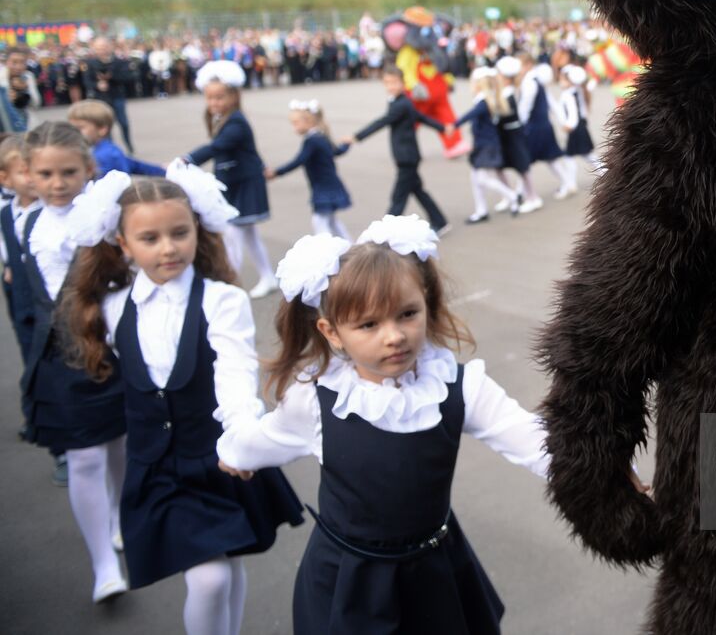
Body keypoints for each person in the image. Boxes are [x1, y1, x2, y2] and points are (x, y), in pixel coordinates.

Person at [215, 217, 550, 634]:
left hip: (435, 571)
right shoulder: (317, 401)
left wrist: (604, 471)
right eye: (369, 324)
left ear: (425, 303)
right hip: (349, 579)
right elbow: (261, 442)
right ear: (332, 333)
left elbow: (531, 438)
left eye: (407, 314)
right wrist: (232, 454)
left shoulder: (458, 386)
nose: (394, 336)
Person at [61, 168, 304, 635]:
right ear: (122, 243)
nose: (168, 247)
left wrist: (240, 436)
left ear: (197, 230)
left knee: (225, 568)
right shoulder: (112, 308)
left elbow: (235, 373)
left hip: (215, 458)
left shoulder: (222, 300)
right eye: (149, 237)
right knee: (210, 577)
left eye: (179, 232)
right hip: (157, 467)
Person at [20, 122, 129, 601]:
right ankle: (103, 562)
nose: (57, 182)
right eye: (45, 173)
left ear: (89, 169)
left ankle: (122, 514)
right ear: (26, 173)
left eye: (68, 172)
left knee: (119, 445)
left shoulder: (107, 221)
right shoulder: (19, 223)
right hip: (58, 357)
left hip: (108, 349)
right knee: (84, 456)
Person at [182, 62, 278, 299]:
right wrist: (262, 163)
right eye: (210, 98)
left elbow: (218, 147)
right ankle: (264, 276)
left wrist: (188, 159)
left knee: (234, 234)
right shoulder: (224, 119)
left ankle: (230, 282)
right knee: (244, 234)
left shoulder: (236, 121)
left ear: (234, 96)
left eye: (220, 97)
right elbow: (248, 150)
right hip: (237, 182)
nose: (214, 103)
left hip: (244, 183)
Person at [342, 66, 451, 235]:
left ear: (403, 83)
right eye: (387, 83)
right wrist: (442, 128)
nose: (391, 86)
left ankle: (385, 232)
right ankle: (440, 221)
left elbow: (382, 122)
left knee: (398, 197)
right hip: (406, 155)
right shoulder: (399, 101)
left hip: (407, 157)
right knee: (418, 191)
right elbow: (420, 117)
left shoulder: (402, 104)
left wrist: (356, 136)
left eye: (394, 83)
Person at [0, 135, 41, 432]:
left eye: (35, 170)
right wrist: (11, 264)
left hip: (51, 301)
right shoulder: (5, 213)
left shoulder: (51, 211)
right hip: (22, 297)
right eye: (22, 171)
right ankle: (37, 419)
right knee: (31, 356)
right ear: (5, 178)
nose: (31, 179)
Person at [266, 100, 352, 239]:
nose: (294, 127)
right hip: (329, 184)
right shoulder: (320, 136)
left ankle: (325, 251)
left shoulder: (312, 140)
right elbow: (336, 151)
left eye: (296, 123)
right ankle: (350, 247)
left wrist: (276, 172)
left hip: (324, 186)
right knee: (331, 221)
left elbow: (298, 160)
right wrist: (346, 145)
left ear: (309, 121)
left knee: (319, 221)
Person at [454, 68, 522, 224]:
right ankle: (481, 210)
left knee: (483, 179)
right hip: (482, 145)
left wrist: (453, 125)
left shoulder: (484, 101)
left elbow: (469, 115)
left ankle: (511, 196)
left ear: (478, 84)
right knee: (475, 178)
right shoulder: (486, 99)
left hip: (487, 146)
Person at [519, 59, 578, 199]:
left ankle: (520, 194)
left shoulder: (530, 83)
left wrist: (520, 126)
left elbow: (524, 108)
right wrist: (563, 120)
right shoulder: (539, 83)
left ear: (527, 65)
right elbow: (553, 104)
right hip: (545, 126)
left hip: (534, 128)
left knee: (524, 161)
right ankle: (568, 183)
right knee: (550, 159)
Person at [492, 58, 542, 214]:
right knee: (500, 166)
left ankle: (532, 197)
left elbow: (507, 116)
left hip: (512, 135)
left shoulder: (508, 93)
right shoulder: (505, 92)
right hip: (506, 135)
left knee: (522, 167)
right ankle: (508, 196)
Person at [67, 100, 165, 179]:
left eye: (79, 128)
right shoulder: (106, 149)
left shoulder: (105, 156)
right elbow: (135, 165)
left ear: (102, 129)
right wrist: (164, 170)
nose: (73, 132)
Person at [82, 37, 137, 152]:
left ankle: (129, 145)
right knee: (105, 125)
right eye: (98, 48)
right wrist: (97, 85)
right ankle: (110, 148)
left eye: (104, 47)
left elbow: (128, 78)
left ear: (110, 47)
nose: (102, 50)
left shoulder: (119, 62)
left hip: (117, 96)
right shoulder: (90, 63)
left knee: (123, 122)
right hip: (101, 99)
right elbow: (87, 81)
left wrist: (111, 77)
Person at [558, 65, 604, 173]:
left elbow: (573, 113)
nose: (560, 81)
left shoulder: (569, 94)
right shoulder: (580, 89)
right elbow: (592, 84)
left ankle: (570, 184)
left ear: (570, 80)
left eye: (562, 79)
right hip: (581, 126)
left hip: (576, 128)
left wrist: (569, 125)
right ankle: (605, 172)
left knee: (571, 156)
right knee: (586, 155)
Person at [2, 46, 40, 133]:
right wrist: (7, 99)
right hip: (5, 126)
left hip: (26, 123)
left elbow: (36, 103)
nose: (18, 67)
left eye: (22, 62)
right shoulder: (1, 78)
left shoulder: (28, 76)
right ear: (6, 62)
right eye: (14, 62)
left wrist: (26, 90)